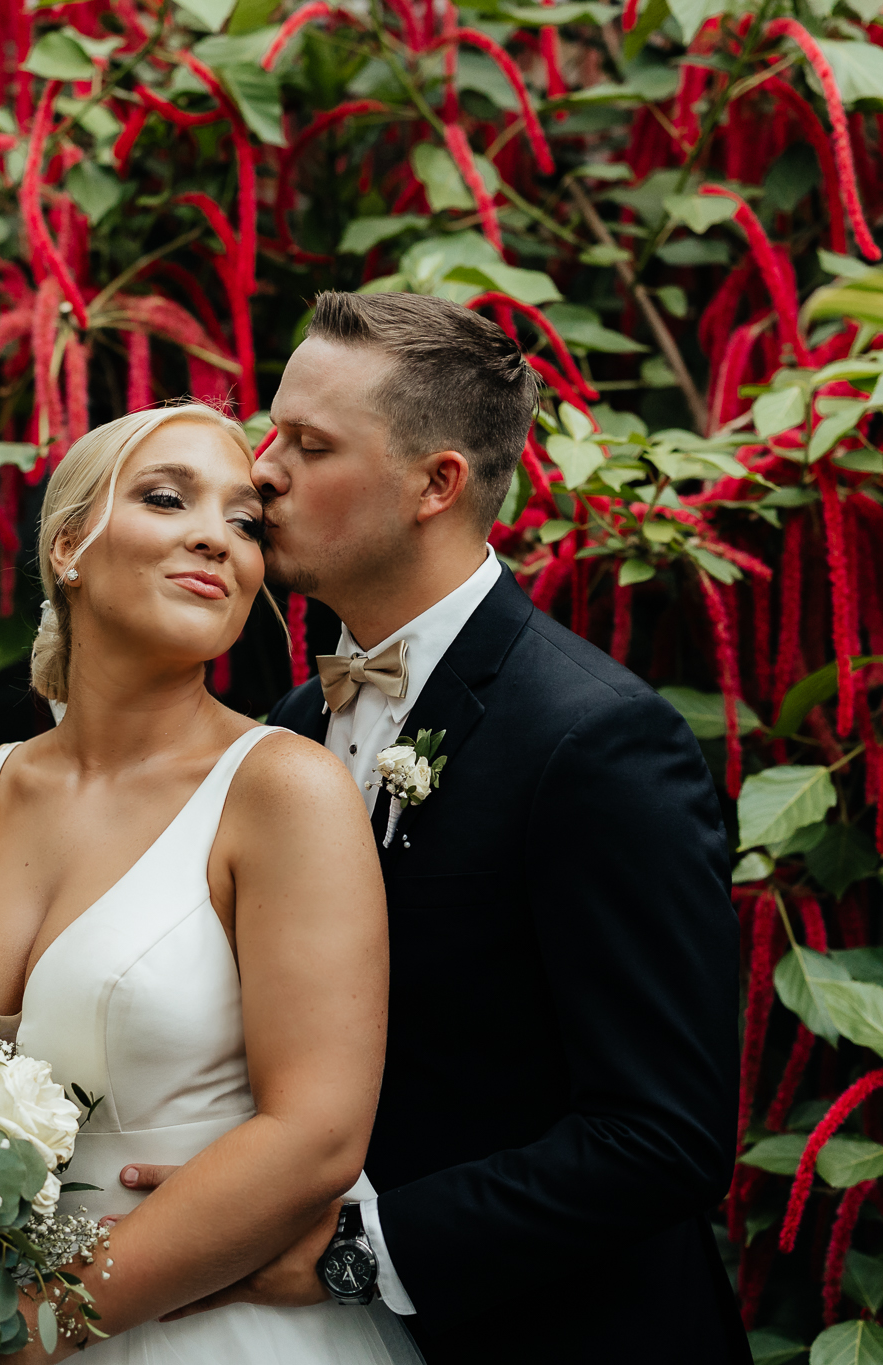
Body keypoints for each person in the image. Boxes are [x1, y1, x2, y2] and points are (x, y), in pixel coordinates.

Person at [122, 292, 749, 1363]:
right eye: (270, 431)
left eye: (308, 445)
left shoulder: (593, 741)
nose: (261, 470)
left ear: (435, 483)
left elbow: (660, 1139)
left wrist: (350, 1255)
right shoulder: (293, 726)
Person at [0, 403, 424, 1363]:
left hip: (205, 1330)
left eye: (245, 522)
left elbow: (317, 1133)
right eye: (168, 497)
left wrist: (29, 1330)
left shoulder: (282, 788)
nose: (214, 537)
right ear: (69, 547)